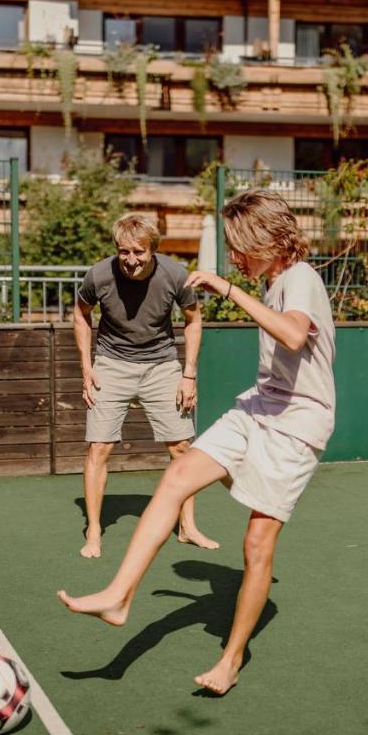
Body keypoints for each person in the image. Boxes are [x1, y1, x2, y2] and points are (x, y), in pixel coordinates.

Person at [58, 190, 336, 694]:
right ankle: (119, 595)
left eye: (238, 247)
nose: (233, 257)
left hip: (297, 423)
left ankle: (229, 660)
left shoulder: (301, 280)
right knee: (178, 475)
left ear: (266, 240)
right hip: (260, 405)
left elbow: (294, 337)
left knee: (257, 542)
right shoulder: (275, 280)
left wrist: (229, 290)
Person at [74, 214, 217, 557]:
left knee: (182, 448)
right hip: (111, 363)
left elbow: (193, 321)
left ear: (153, 249)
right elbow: (80, 314)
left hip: (162, 365)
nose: (131, 260)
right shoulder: (99, 274)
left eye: (139, 251)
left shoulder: (174, 274)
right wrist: (87, 367)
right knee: (98, 449)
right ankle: (94, 530)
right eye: (124, 251)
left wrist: (189, 374)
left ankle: (187, 527)